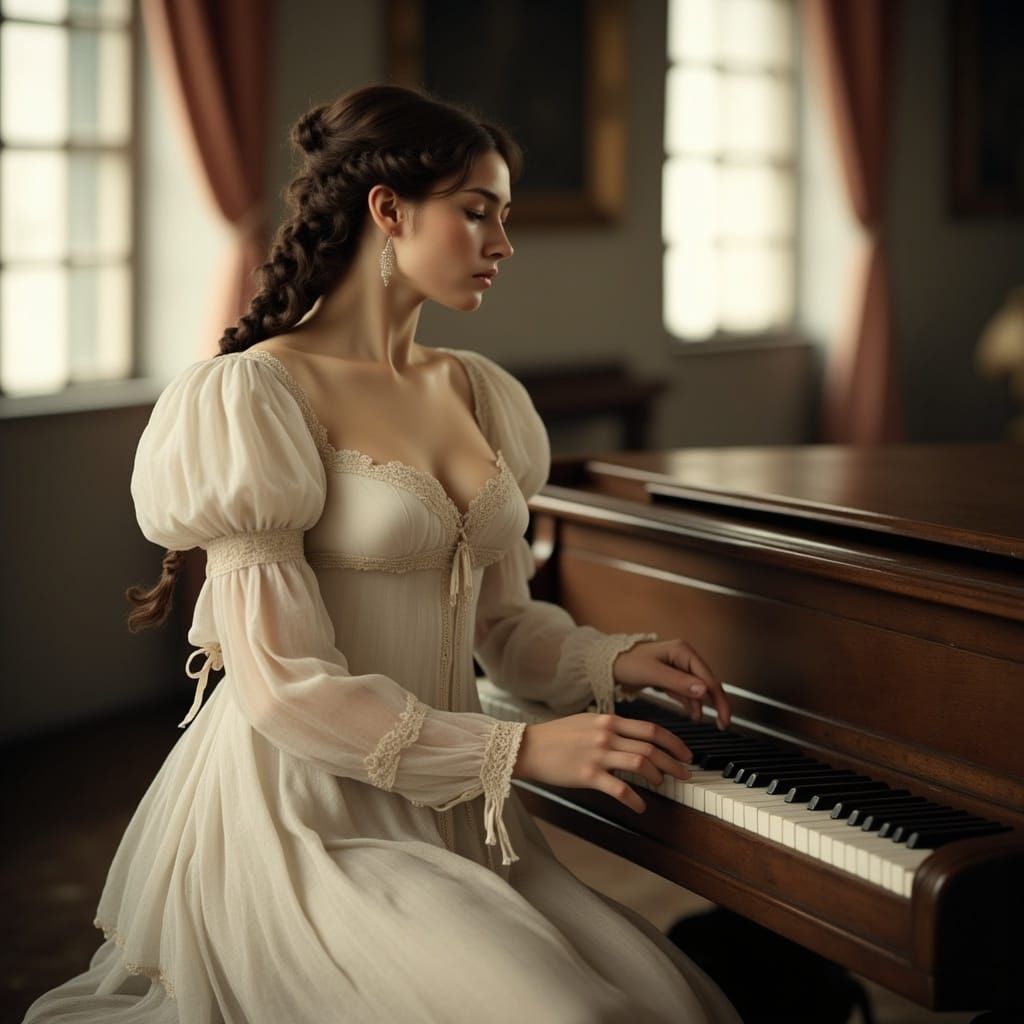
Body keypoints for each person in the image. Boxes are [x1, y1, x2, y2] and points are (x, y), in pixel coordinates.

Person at [23, 83, 740, 1024]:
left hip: (464, 811)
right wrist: (520, 748)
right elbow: (284, 686)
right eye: (477, 212)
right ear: (388, 209)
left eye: (506, 217)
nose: (502, 244)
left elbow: (502, 626)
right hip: (308, 815)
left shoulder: (482, 394)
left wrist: (606, 659)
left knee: (678, 1005)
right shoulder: (252, 396)